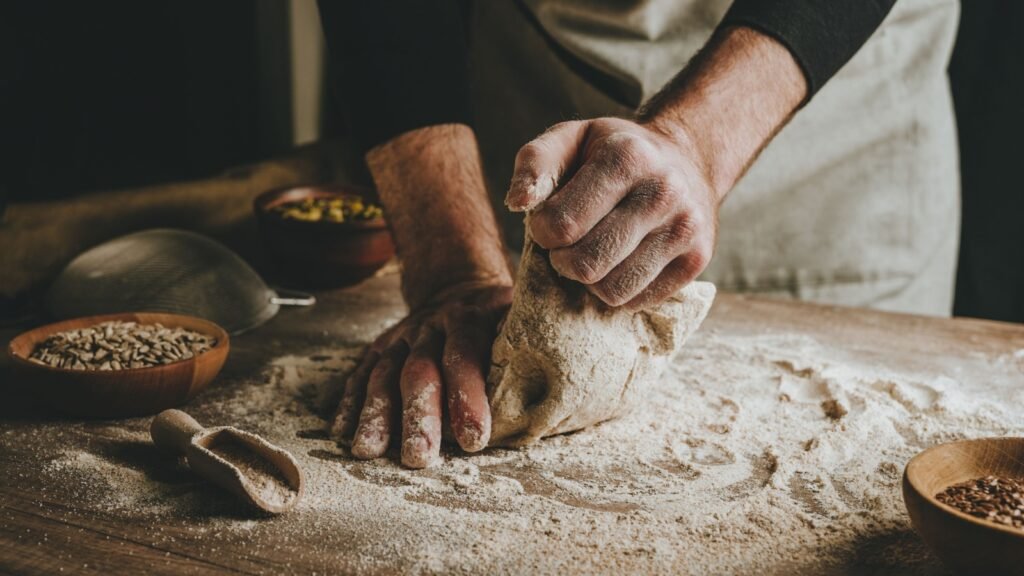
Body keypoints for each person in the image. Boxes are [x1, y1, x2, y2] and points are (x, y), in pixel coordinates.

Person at [318, 1, 960, 468]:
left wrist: (694, 140)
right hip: (541, 71)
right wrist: (454, 271)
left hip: (827, 105)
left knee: (856, 450)